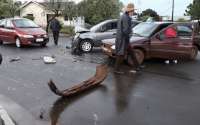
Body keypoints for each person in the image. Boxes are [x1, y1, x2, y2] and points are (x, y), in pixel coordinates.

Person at [114, 3, 140, 74]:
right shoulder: (126, 17)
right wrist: (129, 35)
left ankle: (137, 66)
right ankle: (116, 70)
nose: (133, 12)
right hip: (124, 39)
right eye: (132, 11)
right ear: (130, 11)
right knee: (121, 54)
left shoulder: (123, 16)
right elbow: (125, 30)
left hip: (122, 38)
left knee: (131, 52)